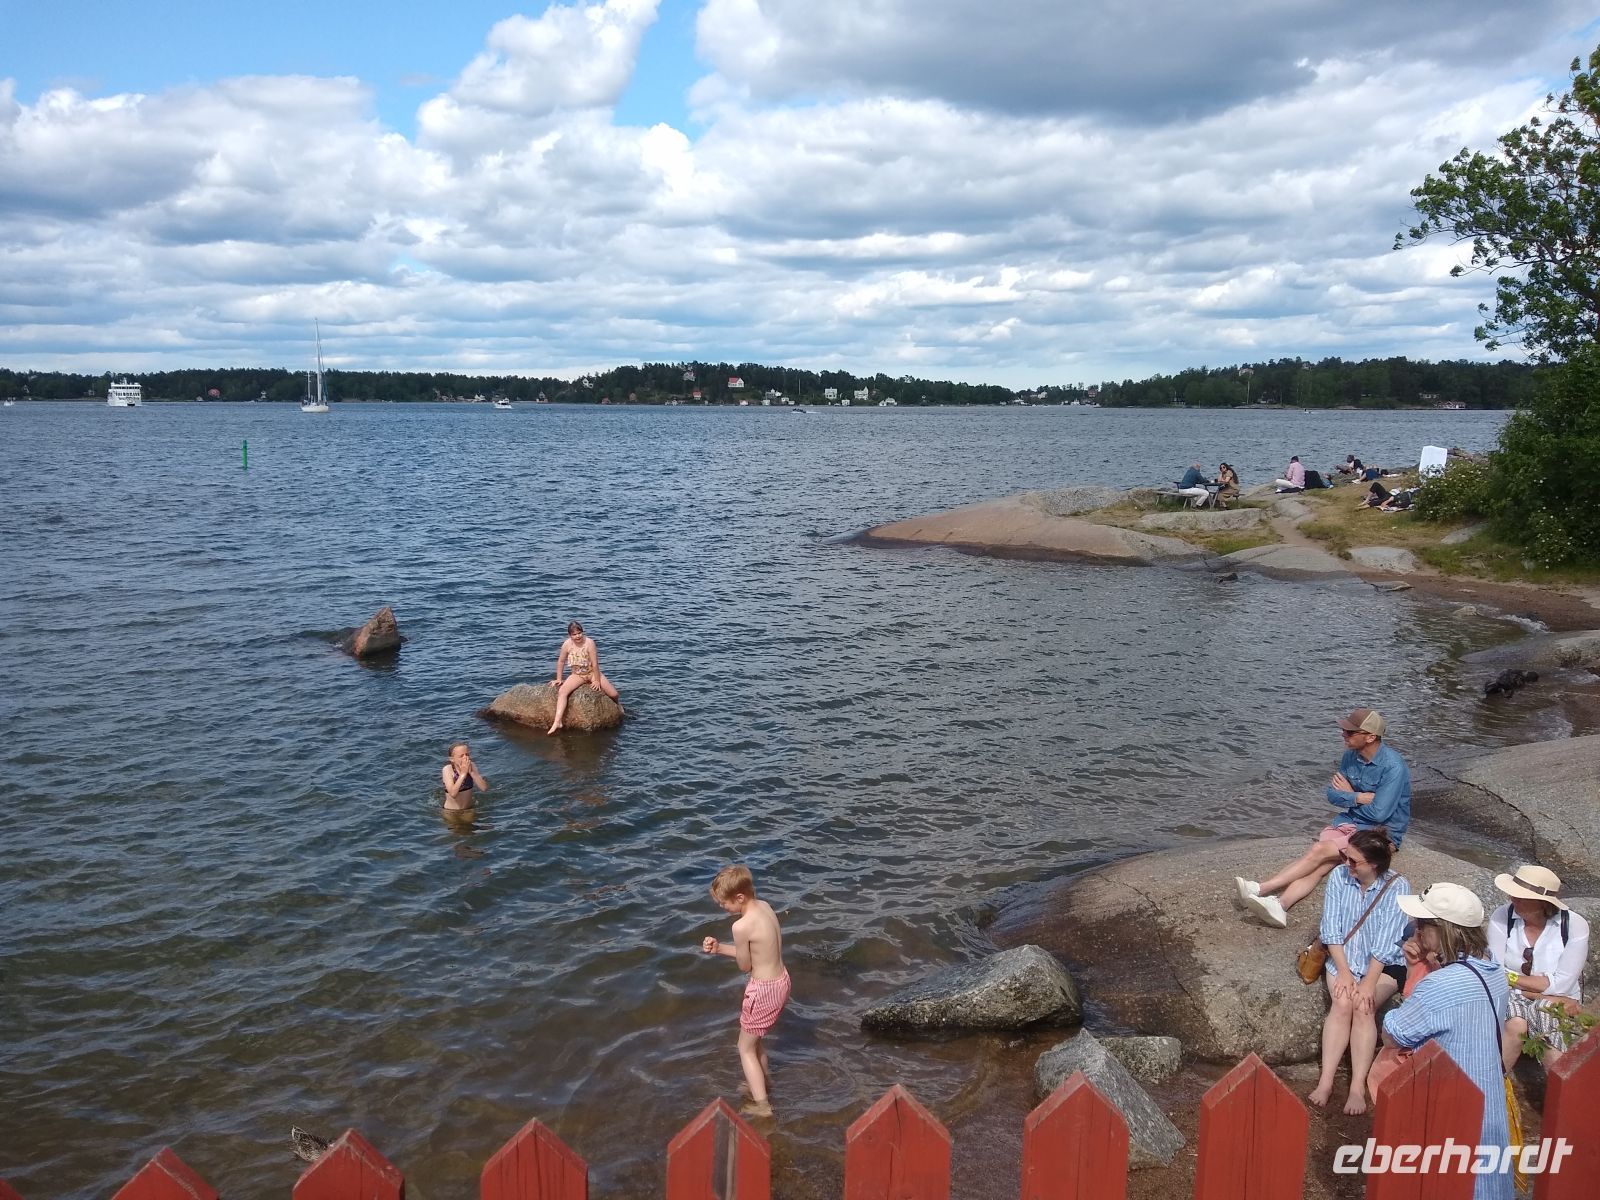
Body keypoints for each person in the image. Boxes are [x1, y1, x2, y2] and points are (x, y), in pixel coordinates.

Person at [1384, 883, 1512, 1200]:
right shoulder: (1495, 970)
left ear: (1441, 929)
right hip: (1489, 1103)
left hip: (1450, 1106)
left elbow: (1394, 1033)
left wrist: (1413, 972)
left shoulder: (1439, 985)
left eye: (1421, 924)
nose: (1416, 930)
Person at [1239, 708, 1411, 927]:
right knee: (1320, 865)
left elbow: (1380, 813)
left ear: (1370, 737)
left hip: (1380, 834)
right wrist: (1358, 796)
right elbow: (1331, 794)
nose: (1343, 734)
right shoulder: (1350, 756)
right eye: (1344, 730)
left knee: (1318, 851)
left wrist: (1349, 796)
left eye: (1350, 732)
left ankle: (1261, 888)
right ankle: (1281, 905)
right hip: (1350, 824)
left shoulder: (1393, 767)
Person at [1308, 829, 1410, 1114]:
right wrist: (1344, 972)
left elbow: (1387, 943)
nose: (1346, 864)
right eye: (1345, 856)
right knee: (1342, 1003)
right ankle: (1326, 1081)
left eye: (1353, 860)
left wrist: (1368, 983)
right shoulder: (1339, 877)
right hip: (1344, 956)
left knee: (1363, 1006)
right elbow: (1331, 929)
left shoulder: (1398, 887)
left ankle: (1357, 1087)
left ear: (1373, 864)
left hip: (1384, 964)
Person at [700, 864, 790, 1118]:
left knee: (744, 1048)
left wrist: (724, 950)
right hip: (781, 981)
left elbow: (744, 965)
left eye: (723, 903)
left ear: (739, 897)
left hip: (763, 990)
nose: (722, 908)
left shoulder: (741, 927)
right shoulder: (765, 907)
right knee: (755, 1040)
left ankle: (762, 1105)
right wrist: (720, 948)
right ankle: (763, 1081)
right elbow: (759, 952)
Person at [1486, 863, 1591, 1073]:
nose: (1512, 899)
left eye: (1521, 896)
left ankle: (1561, 1087)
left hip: (1550, 998)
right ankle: (1492, 1083)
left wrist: (1513, 979)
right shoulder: (1502, 916)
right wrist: (1533, 989)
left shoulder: (1573, 925)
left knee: (1545, 1015)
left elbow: (1561, 985)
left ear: (1543, 903)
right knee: (1516, 1023)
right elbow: (1494, 972)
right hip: (1515, 993)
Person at [547, 620, 622, 734]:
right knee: (562, 692)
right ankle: (557, 722)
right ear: (570, 635)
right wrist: (559, 679)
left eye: (579, 633)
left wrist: (597, 680)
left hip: (592, 673)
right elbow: (561, 662)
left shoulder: (589, 643)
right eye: (574, 634)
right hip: (577, 675)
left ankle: (618, 706)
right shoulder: (567, 644)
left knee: (614, 694)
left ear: (582, 632)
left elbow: (595, 664)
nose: (578, 636)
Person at [441, 742, 487, 812]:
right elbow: (453, 794)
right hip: (450, 811)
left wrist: (472, 773)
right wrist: (463, 774)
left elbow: (484, 788)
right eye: (461, 756)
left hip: (468, 809)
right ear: (452, 759)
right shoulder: (447, 769)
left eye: (467, 754)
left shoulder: (472, 765)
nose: (466, 758)